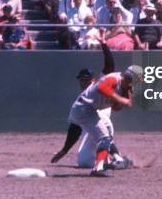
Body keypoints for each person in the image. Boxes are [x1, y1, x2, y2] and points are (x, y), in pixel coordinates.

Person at [51, 40, 133, 170]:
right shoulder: (86, 97)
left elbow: (109, 67)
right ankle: (112, 161)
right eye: (81, 80)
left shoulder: (103, 82)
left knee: (103, 135)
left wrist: (105, 46)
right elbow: (76, 124)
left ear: (93, 80)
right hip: (89, 121)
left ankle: (115, 158)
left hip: (99, 118)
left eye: (86, 80)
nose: (83, 82)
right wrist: (65, 150)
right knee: (84, 162)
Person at [58, 62, 143, 177]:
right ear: (130, 78)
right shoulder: (114, 78)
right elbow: (101, 88)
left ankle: (104, 164)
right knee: (103, 138)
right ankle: (100, 167)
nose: (136, 84)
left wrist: (123, 100)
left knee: (104, 138)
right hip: (83, 108)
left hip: (89, 110)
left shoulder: (125, 88)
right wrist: (120, 99)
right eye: (136, 81)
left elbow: (115, 108)